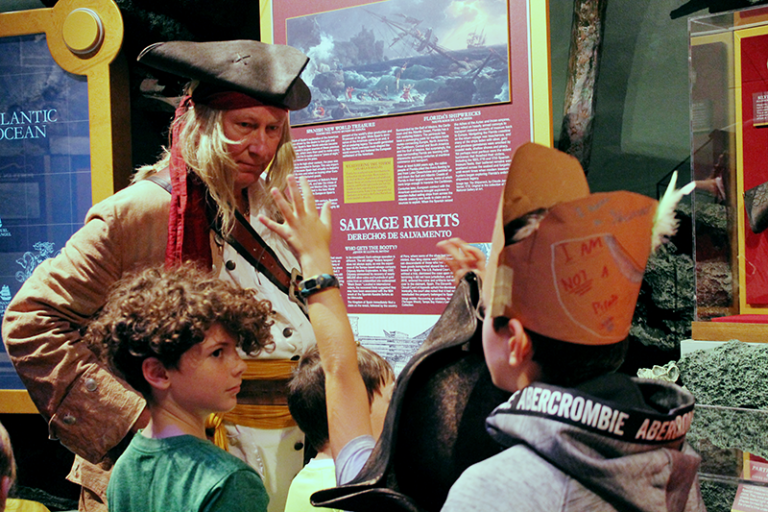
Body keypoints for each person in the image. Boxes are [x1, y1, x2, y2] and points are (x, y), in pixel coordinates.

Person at [2, 40, 314, 512]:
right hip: (176, 473)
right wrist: (140, 419)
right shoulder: (141, 211)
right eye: (245, 125)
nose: (261, 146)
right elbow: (30, 322)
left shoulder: (276, 210)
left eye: (273, 129)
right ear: (204, 124)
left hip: (281, 451)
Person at [438, 142, 706, 511]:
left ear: (515, 341)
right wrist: (491, 282)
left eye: (485, 307)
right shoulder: (668, 454)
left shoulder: (497, 491)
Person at [86, 265, 271, 512]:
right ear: (158, 373)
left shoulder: (125, 467)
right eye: (217, 353)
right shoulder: (229, 481)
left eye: (235, 349)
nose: (239, 366)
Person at [284, 346, 394, 512]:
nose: (397, 406)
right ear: (356, 411)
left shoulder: (303, 481)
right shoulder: (352, 485)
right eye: (391, 398)